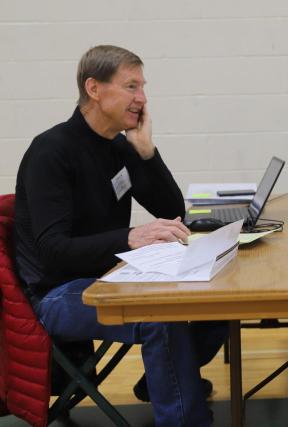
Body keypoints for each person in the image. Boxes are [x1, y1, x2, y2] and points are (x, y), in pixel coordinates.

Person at [14, 45, 228, 427]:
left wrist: (146, 152)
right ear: (94, 89)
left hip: (113, 276)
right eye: (131, 86)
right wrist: (130, 237)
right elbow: (54, 251)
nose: (142, 98)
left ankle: (162, 381)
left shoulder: (118, 146)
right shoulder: (51, 151)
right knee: (160, 317)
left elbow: (171, 208)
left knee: (219, 297)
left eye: (142, 87)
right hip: (58, 292)